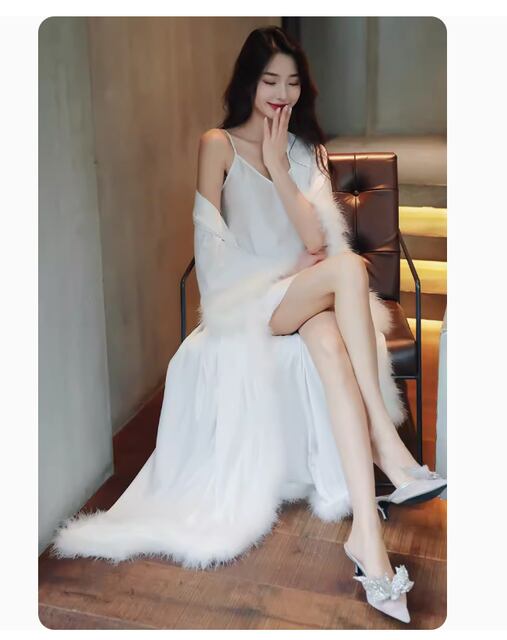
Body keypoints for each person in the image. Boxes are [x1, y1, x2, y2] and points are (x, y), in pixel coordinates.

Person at [50, 26, 446, 626]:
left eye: (292, 83)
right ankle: (387, 447)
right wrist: (284, 269)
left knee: (330, 343)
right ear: (248, 84)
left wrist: (280, 169)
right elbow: (211, 254)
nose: (281, 94)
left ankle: (367, 537)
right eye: (269, 82)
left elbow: (317, 239)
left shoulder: (303, 151)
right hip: (248, 301)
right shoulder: (217, 145)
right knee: (349, 270)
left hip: (299, 298)